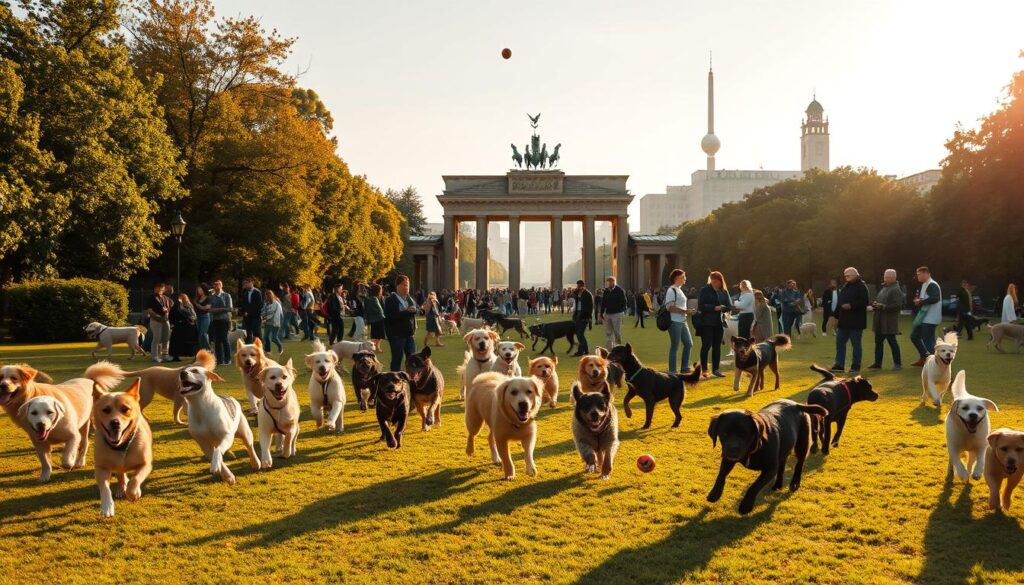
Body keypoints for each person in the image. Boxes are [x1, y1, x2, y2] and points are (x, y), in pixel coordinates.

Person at [831, 267, 869, 374]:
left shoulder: (862, 287)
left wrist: (851, 305)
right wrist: (836, 316)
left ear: (856, 275)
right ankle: (839, 365)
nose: (846, 278)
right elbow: (840, 302)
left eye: (848, 276)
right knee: (840, 343)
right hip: (843, 321)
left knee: (856, 345)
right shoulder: (845, 286)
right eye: (845, 276)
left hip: (856, 322)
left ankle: (855, 366)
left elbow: (864, 302)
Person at [867, 269, 905, 370]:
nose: (886, 278)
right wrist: (875, 305)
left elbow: (897, 306)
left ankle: (898, 364)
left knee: (892, 342)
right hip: (879, 320)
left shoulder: (896, 289)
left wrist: (883, 306)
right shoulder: (884, 288)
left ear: (894, 278)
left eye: (888, 277)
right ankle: (877, 363)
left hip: (889, 322)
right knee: (878, 343)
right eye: (885, 276)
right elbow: (880, 302)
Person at [697, 271, 731, 378]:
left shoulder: (724, 292)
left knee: (717, 347)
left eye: (717, 281)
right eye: (713, 280)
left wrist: (723, 308)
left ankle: (716, 370)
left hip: (718, 323)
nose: (714, 283)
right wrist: (714, 308)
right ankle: (704, 369)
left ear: (721, 281)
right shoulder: (705, 290)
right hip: (706, 322)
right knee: (706, 345)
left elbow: (729, 306)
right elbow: (701, 306)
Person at [384, 275, 418, 371]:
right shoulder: (390, 300)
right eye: (404, 285)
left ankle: (411, 380)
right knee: (397, 360)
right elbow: (390, 317)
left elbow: (413, 313)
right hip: (397, 335)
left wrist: (417, 310)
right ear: (397, 286)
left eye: (408, 285)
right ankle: (394, 381)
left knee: (412, 359)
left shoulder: (409, 299)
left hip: (409, 334)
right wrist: (407, 312)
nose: (407, 287)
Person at [910, 266, 942, 367]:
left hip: (931, 318)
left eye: (919, 274)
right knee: (914, 336)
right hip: (924, 317)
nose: (917, 276)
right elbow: (927, 298)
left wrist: (921, 301)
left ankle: (938, 364)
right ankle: (924, 357)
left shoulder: (932, 284)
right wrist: (919, 301)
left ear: (926, 273)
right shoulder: (925, 284)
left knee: (928, 341)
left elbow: (935, 298)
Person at [665, 269, 694, 374]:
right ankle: (672, 370)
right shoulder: (671, 290)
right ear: (677, 278)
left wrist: (686, 312)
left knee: (689, 343)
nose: (685, 279)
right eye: (683, 276)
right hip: (674, 322)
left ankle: (684, 367)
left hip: (682, 321)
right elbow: (669, 307)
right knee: (675, 346)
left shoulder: (679, 289)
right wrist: (685, 311)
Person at [207, 280, 233, 365]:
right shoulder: (212, 297)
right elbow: (210, 309)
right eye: (215, 285)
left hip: (225, 320)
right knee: (217, 341)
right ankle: (220, 360)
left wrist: (218, 309)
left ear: (221, 286)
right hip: (215, 320)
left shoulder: (226, 295)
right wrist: (219, 309)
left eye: (218, 285)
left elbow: (230, 308)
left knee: (224, 339)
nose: (216, 287)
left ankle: (228, 359)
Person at [145, 282, 173, 363]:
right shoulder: (151, 297)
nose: (160, 289)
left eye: (162, 287)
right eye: (158, 287)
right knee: (156, 338)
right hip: (156, 320)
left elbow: (169, 307)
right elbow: (149, 310)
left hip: (165, 320)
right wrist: (158, 317)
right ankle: (155, 356)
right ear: (155, 288)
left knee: (166, 337)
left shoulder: (165, 298)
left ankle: (165, 355)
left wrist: (166, 315)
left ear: (164, 289)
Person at [168, 293, 198, 361]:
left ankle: (178, 355)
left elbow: (192, 316)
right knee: (177, 342)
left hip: (186, 326)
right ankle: (176, 356)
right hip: (180, 326)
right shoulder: (178, 306)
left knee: (180, 342)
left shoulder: (188, 306)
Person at [599, 276, 627, 348]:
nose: (609, 283)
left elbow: (624, 302)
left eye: (611, 282)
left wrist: (621, 310)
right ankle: (609, 348)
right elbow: (603, 302)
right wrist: (601, 312)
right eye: (608, 282)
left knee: (616, 332)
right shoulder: (606, 291)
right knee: (608, 332)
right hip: (608, 314)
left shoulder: (620, 290)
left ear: (614, 282)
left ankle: (618, 347)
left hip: (617, 314)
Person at [571, 280, 594, 357]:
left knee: (580, 333)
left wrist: (588, 317)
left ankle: (581, 351)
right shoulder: (577, 294)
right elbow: (574, 300)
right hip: (577, 314)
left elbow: (590, 307)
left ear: (583, 286)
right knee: (579, 333)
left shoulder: (588, 294)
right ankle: (585, 350)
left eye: (579, 286)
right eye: (577, 285)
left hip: (584, 316)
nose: (578, 287)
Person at [239, 278, 263, 343]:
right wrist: (244, 312)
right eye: (244, 284)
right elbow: (244, 304)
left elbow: (258, 305)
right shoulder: (245, 293)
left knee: (257, 333)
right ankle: (248, 347)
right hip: (247, 317)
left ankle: (260, 348)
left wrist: (248, 312)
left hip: (256, 316)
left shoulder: (257, 292)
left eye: (246, 283)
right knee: (248, 333)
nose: (245, 285)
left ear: (251, 283)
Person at [261, 290, 284, 356]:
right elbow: (263, 311)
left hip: (275, 323)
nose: (266, 297)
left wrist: (264, 318)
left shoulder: (276, 304)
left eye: (267, 296)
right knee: (265, 337)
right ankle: (267, 351)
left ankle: (280, 348)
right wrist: (262, 315)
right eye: (266, 296)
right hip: (267, 323)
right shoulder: (266, 303)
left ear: (271, 296)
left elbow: (274, 314)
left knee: (274, 338)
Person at [365, 284, 386, 352]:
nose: (381, 291)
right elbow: (379, 310)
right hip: (378, 319)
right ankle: (369, 347)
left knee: (377, 336)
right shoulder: (374, 299)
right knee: (379, 336)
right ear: (378, 291)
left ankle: (377, 347)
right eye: (380, 290)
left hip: (372, 320)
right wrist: (384, 317)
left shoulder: (368, 298)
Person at [194, 284, 211, 351]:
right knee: (199, 335)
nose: (199, 291)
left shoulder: (208, 298)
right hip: (198, 317)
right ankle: (202, 350)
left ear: (204, 290)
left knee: (203, 334)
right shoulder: (197, 299)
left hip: (205, 317)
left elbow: (207, 307)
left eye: (200, 289)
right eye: (198, 290)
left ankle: (208, 349)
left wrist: (197, 305)